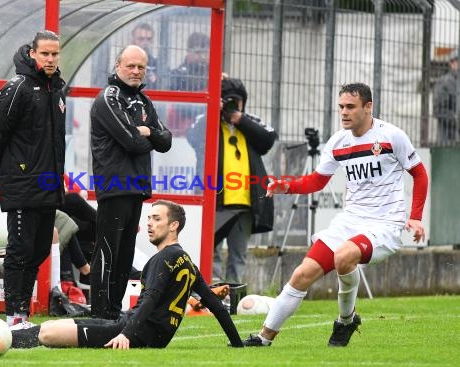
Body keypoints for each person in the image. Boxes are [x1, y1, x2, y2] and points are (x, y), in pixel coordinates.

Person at [242, 83, 428, 347]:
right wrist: (287, 185)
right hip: (349, 221)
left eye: (350, 106)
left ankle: (344, 321)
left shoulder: (391, 136)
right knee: (301, 275)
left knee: (344, 256)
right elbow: (317, 181)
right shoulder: (338, 141)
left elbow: (419, 174)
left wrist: (416, 216)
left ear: (368, 107)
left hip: (385, 225)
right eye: (341, 106)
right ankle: (264, 337)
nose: (344, 112)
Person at [0, 200, 244, 349]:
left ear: (174, 226)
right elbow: (216, 305)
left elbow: (151, 299)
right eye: (149, 218)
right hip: (135, 329)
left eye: (156, 219)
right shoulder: (187, 262)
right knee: (53, 325)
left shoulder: (165, 259)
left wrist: (126, 335)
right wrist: (238, 344)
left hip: (135, 333)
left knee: (48, 333)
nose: (150, 224)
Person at [0, 30, 66, 327]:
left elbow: (55, 142)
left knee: (40, 249)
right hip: (21, 184)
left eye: (55, 54)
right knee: (19, 250)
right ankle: (13, 317)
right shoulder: (17, 87)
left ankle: (22, 315)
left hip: (47, 185)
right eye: (45, 53)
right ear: (32, 53)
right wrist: (1, 175)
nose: (50, 59)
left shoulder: (57, 89)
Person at [90, 44, 172, 320]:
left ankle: (114, 311)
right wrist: (148, 136)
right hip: (114, 186)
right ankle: (101, 312)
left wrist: (148, 130)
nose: (136, 71)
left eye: (141, 67)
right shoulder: (109, 97)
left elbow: (166, 140)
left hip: (136, 187)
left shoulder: (144, 100)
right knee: (108, 251)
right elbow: (132, 142)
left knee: (125, 255)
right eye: (131, 66)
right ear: (118, 66)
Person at [187, 75, 277, 283]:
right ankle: (213, 293)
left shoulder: (250, 120)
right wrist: (214, 111)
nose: (232, 105)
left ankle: (233, 294)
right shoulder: (206, 120)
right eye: (227, 100)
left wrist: (240, 119)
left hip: (245, 202)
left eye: (237, 101)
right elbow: (193, 138)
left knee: (238, 255)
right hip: (214, 200)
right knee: (211, 252)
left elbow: (268, 139)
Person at [168, 32, 210, 137]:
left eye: (206, 52)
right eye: (198, 52)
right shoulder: (177, 75)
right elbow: (172, 107)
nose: (202, 57)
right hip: (181, 132)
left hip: (205, 132)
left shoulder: (213, 75)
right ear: (188, 52)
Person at [433, 48, 458, 144]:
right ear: (452, 63)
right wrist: (455, 119)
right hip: (447, 139)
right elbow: (438, 110)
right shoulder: (444, 82)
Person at [131, 22, 159, 89]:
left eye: (149, 39)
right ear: (133, 41)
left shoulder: (156, 64)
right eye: (141, 39)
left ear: (152, 41)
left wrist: (156, 81)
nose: (145, 43)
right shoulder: (124, 61)